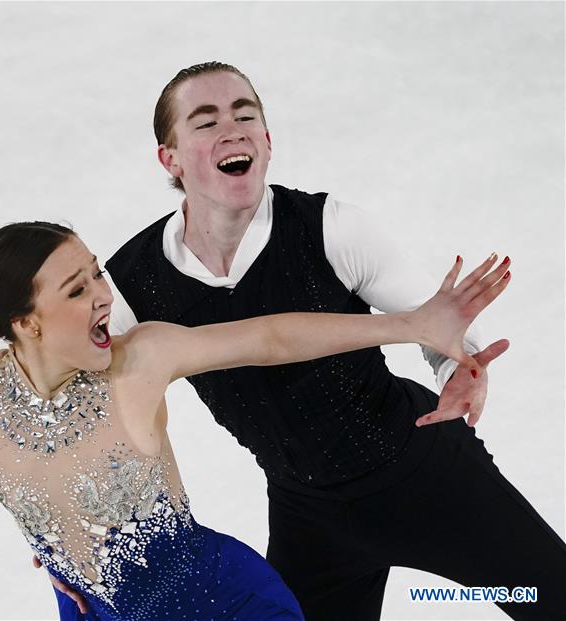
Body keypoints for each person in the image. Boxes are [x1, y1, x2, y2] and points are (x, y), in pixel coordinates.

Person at [0, 181, 509, 620]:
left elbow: (269, 337)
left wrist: (410, 324)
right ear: (22, 322)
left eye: (99, 277)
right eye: (78, 290)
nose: (104, 297)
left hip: (219, 607)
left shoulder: (138, 367)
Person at [54, 61, 565, 620]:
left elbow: (438, 323)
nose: (233, 128)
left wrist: (456, 367)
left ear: (267, 142)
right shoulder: (134, 282)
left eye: (245, 114)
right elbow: (85, 410)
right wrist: (66, 535)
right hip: (311, 518)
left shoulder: (332, 228)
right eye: (205, 122)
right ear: (169, 158)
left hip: (429, 478)